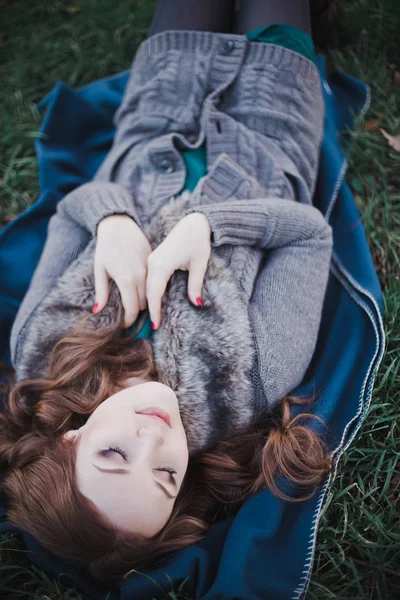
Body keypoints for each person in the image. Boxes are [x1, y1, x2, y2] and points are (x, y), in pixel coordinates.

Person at [0, 0, 335, 586]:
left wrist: (112, 221)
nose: (153, 437)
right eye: (163, 475)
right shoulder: (249, 380)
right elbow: (310, 235)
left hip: (159, 99)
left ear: (69, 441)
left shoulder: (41, 346)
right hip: (271, 114)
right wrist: (213, 226)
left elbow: (71, 212)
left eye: (113, 455)